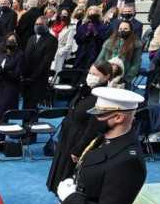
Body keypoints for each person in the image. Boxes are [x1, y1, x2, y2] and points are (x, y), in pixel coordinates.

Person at [46, 61, 113, 192]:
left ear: (106, 77)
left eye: (96, 74)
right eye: (91, 72)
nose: (91, 76)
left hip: (79, 139)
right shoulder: (86, 89)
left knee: (70, 176)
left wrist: (79, 148)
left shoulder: (102, 97)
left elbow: (93, 128)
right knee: (60, 172)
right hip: (68, 135)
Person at [0, 33, 24, 144]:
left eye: (13, 41)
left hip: (8, 90)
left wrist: (5, 72)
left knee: (3, 115)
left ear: (17, 43)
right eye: (9, 40)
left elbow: (17, 73)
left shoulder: (20, 55)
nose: (10, 42)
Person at [21, 16, 58, 110]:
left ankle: (31, 124)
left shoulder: (52, 40)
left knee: (32, 107)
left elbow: (46, 62)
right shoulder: (31, 38)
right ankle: (25, 124)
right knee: (25, 106)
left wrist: (33, 77)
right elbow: (25, 56)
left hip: (38, 79)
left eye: (41, 24)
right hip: (26, 77)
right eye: (36, 24)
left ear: (47, 25)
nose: (38, 26)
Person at [97, 20, 142, 87]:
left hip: (124, 76)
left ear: (130, 30)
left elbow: (136, 64)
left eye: (125, 29)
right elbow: (100, 59)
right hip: (107, 74)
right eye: (120, 29)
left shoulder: (136, 43)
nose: (122, 30)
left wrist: (126, 79)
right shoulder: (109, 41)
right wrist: (99, 72)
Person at [73, 6, 108, 71]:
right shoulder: (83, 26)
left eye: (94, 14)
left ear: (98, 14)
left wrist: (95, 32)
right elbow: (78, 41)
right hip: (82, 52)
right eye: (91, 14)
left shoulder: (102, 26)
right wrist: (87, 34)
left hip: (95, 52)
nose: (92, 15)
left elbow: (101, 42)